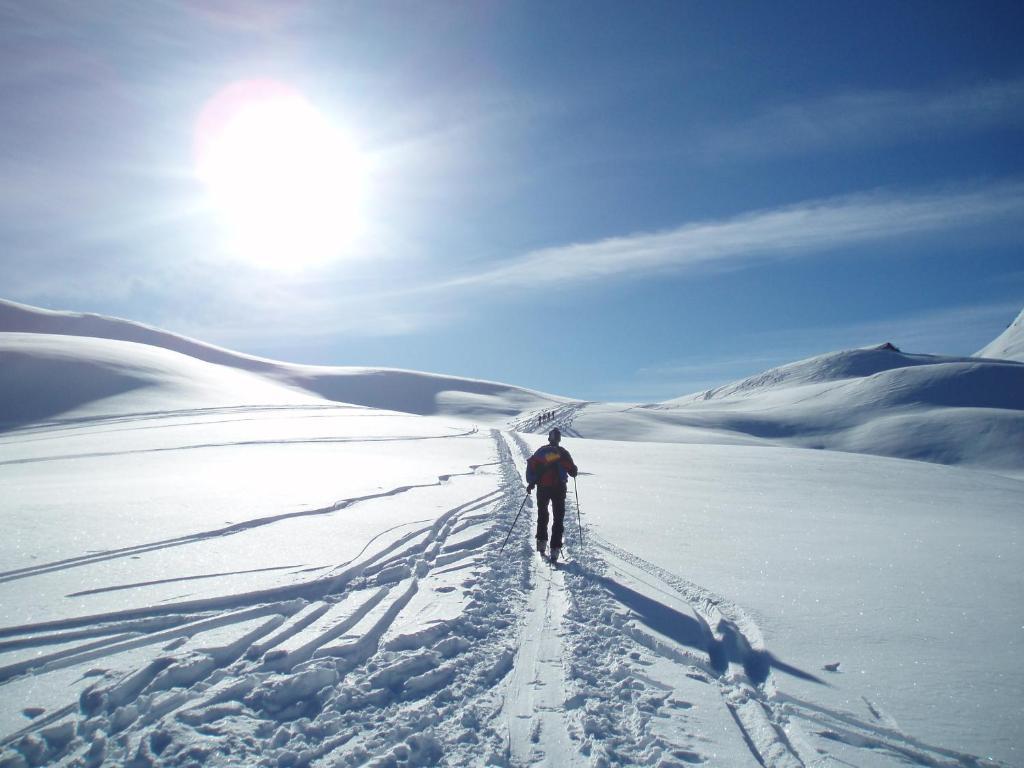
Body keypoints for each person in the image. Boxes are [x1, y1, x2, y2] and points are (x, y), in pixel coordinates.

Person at [525, 428, 578, 562]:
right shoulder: (563, 453)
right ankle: (555, 549)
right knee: (558, 518)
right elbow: (572, 471)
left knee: (543, 514)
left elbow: (532, 463)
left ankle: (541, 544)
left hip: (543, 488)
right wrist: (573, 469)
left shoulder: (541, 451)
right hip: (559, 488)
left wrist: (532, 481)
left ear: (549, 438)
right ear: (559, 439)